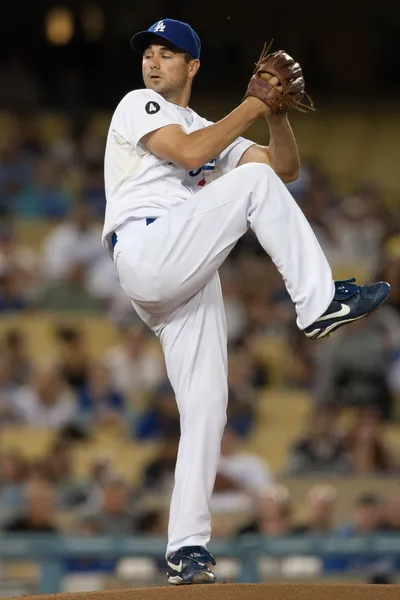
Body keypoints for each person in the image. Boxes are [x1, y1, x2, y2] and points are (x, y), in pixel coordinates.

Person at [102, 18, 390, 585]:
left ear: (193, 67)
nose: (153, 62)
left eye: (168, 54)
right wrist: (252, 106)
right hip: (148, 246)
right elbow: (187, 156)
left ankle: (187, 549)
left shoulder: (211, 128)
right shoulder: (139, 104)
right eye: (149, 53)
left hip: (185, 270)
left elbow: (283, 170)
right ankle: (318, 303)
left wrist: (277, 112)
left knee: (208, 406)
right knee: (250, 188)